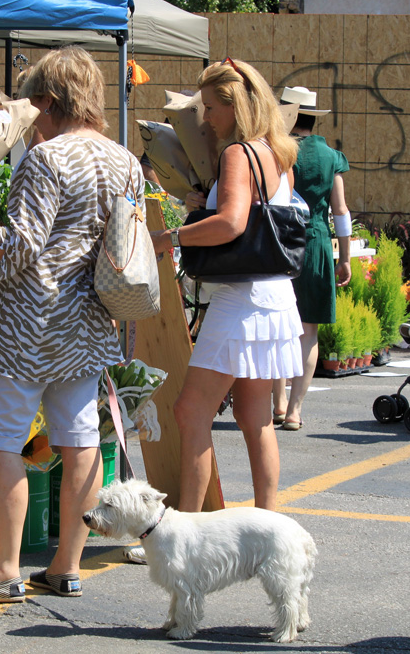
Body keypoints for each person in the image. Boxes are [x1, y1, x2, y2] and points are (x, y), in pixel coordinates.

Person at [0, 46, 132, 604]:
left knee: (1, 441)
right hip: (89, 321)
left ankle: (3, 570)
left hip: (29, 324)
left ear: (47, 100)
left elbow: (20, 248)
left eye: (32, 101)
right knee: (80, 439)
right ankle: (66, 565)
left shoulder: (45, 159)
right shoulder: (123, 160)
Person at [149, 57, 302, 514]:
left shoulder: (238, 153)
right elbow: (258, 213)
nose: (207, 119)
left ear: (236, 106)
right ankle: (268, 521)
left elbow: (233, 222)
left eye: (212, 107)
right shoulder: (278, 153)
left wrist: (170, 236)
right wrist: (204, 203)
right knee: (255, 418)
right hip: (274, 297)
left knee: (190, 412)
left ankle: (189, 525)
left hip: (241, 300)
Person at [271, 86, 351, 431]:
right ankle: (295, 411)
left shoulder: (277, 150)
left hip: (280, 241)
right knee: (307, 330)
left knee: (277, 327)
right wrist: (345, 256)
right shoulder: (331, 156)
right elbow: (341, 210)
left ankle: (277, 402)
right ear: (314, 118)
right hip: (317, 242)